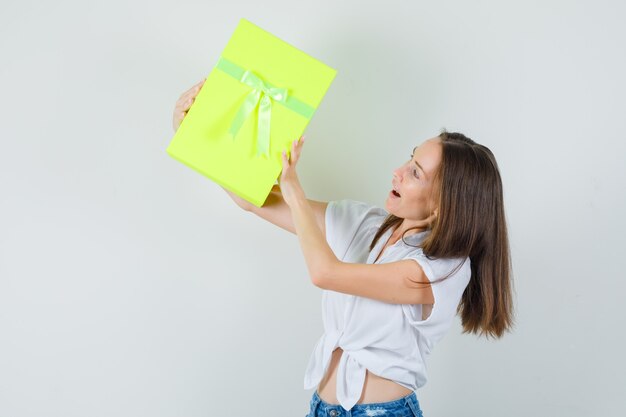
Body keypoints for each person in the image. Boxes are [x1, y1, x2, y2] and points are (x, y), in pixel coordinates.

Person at [172, 80, 515, 417]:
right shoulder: (366, 224)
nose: (397, 172)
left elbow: (325, 273)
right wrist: (191, 134)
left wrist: (293, 190)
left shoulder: (443, 269)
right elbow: (253, 201)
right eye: (408, 159)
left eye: (414, 172)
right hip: (323, 408)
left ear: (444, 204)